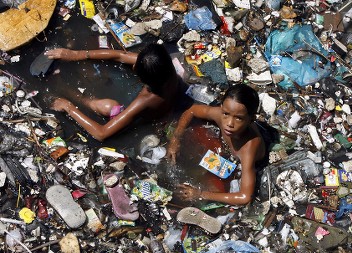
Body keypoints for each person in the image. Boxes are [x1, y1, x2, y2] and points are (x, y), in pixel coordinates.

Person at [44, 43, 189, 141]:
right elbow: (119, 56)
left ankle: (73, 94)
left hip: (148, 118)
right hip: (169, 98)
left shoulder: (145, 100)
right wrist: (77, 54)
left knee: (107, 106)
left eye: (136, 69)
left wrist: (69, 107)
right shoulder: (166, 68)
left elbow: (101, 134)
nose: (133, 66)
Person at [166, 84, 270, 207]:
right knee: (191, 137)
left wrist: (200, 194)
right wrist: (176, 139)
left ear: (251, 119)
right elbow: (192, 110)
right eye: (226, 113)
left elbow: (244, 197)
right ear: (221, 108)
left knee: (215, 187)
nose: (229, 123)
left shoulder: (248, 147)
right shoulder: (220, 115)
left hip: (240, 162)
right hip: (223, 146)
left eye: (239, 118)